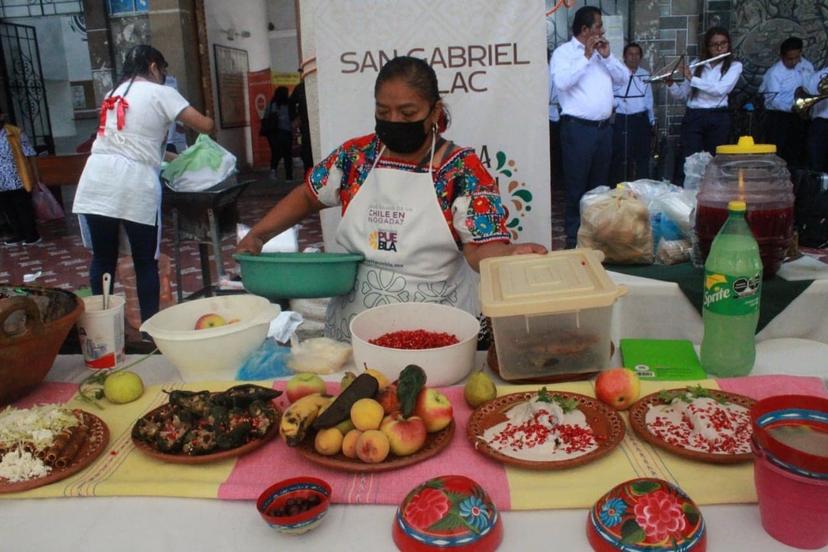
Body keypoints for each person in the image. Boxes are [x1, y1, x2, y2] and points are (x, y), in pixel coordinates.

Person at [237, 56, 546, 340]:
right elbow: (308, 196)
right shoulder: (355, 157)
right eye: (383, 112)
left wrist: (508, 256)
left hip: (436, 330)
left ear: (434, 111)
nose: (394, 120)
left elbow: (481, 250)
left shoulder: (461, 170)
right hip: (355, 327)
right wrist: (258, 235)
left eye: (407, 112)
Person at [73, 45, 213, 322]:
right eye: (163, 70)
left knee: (103, 258)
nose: (163, 76)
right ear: (153, 66)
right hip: (134, 184)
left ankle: (101, 325)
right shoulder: (162, 92)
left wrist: (176, 157)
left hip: (96, 179)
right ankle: (149, 329)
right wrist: (209, 116)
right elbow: (205, 126)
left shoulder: (112, 94)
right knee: (144, 261)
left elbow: (135, 143)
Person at [550, 6, 627, 248]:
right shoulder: (564, 53)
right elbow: (562, 82)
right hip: (578, 130)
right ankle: (573, 242)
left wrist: (607, 57)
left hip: (604, 130)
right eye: (598, 26)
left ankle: (595, 239)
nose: (603, 31)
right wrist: (585, 57)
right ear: (585, 30)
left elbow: (624, 78)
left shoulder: (602, 55)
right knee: (576, 188)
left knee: (600, 189)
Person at [668, 27, 742, 163]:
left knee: (714, 160)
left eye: (723, 43)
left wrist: (693, 79)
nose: (720, 48)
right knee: (690, 160)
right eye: (715, 45)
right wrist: (671, 83)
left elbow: (720, 90)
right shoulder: (696, 64)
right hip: (694, 117)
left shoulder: (734, 66)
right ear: (707, 47)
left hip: (718, 117)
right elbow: (682, 94)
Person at [758, 36, 814, 169]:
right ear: (782, 56)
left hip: (801, 116)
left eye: (797, 57)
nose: (794, 61)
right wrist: (792, 107)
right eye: (790, 59)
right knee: (781, 153)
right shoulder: (774, 73)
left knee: (800, 151)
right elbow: (772, 100)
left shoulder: (807, 66)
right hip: (780, 117)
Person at [610, 42, 655, 185]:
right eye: (630, 54)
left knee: (643, 157)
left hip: (641, 119)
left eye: (637, 54)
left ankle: (643, 189)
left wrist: (652, 121)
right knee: (623, 157)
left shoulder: (645, 74)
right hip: (623, 119)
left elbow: (649, 99)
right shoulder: (618, 75)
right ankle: (621, 188)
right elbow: (612, 96)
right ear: (624, 57)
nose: (633, 57)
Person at [0, 107, 40, 246]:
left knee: (23, 208)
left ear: (2, 116)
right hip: (1, 182)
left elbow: (29, 154)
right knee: (8, 209)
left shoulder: (15, 132)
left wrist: (35, 177)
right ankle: (18, 234)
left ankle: (32, 235)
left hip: (18, 178)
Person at [262, 86, 294, 181]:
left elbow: (265, 117)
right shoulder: (288, 104)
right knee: (287, 154)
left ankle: (273, 171)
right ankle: (289, 176)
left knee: (276, 153)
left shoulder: (272, 104)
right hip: (286, 132)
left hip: (273, 133)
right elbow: (291, 117)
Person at [289, 71, 314, 175]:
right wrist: (295, 118)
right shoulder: (300, 88)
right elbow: (291, 104)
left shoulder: (317, 84)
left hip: (315, 123)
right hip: (306, 124)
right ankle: (308, 176)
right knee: (307, 152)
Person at [805, 65, 828, 173]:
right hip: (820, 123)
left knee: (817, 161)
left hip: (819, 123)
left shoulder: (816, 76)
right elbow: (808, 97)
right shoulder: (818, 77)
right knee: (817, 160)